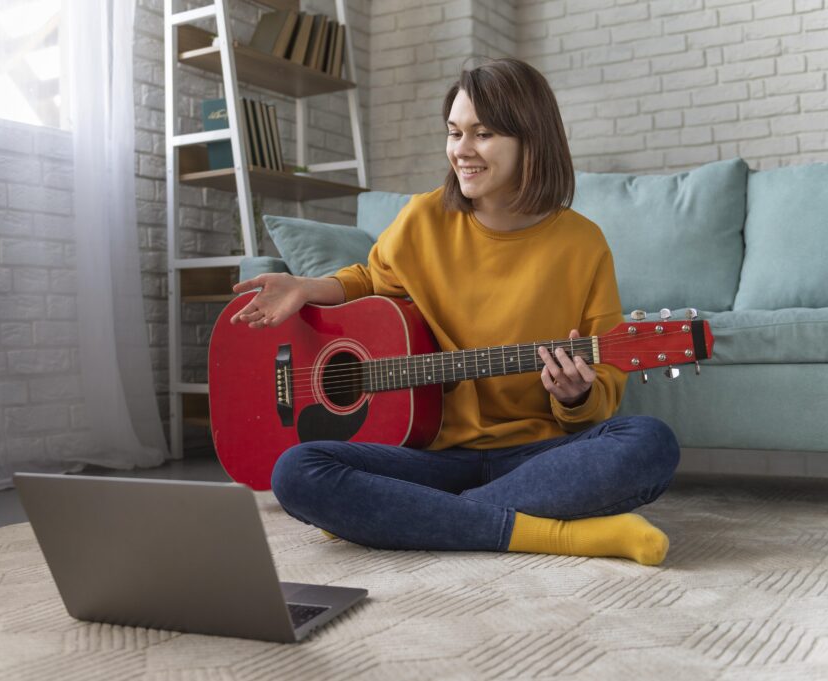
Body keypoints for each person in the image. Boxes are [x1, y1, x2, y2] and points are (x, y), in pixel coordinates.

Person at [229, 58, 680, 566]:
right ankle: (553, 534)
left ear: (531, 139)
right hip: (427, 455)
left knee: (649, 443)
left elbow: (603, 395)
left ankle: (402, 518)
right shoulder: (423, 218)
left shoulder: (583, 244)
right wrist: (306, 285)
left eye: (482, 134)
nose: (461, 151)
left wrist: (575, 397)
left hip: (534, 456)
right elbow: (373, 282)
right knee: (296, 470)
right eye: (454, 133)